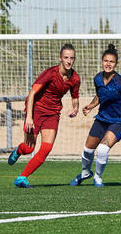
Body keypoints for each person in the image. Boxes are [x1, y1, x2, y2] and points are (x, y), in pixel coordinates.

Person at [8, 43, 80, 188]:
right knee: (29, 148)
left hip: (52, 113)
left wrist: (75, 108)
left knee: (46, 148)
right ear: (60, 58)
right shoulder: (50, 73)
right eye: (66, 57)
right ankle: (19, 150)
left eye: (71, 58)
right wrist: (29, 117)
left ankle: (22, 178)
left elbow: (75, 97)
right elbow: (33, 92)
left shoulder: (75, 78)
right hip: (36, 110)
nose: (68, 61)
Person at [70, 43, 121, 188]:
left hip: (118, 121)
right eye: (106, 61)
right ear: (102, 61)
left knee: (102, 149)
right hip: (101, 119)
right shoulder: (98, 78)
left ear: (116, 64)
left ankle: (98, 178)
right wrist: (91, 106)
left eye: (111, 62)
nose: (108, 64)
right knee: (88, 150)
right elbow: (100, 96)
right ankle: (85, 172)